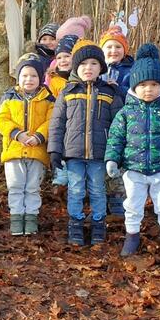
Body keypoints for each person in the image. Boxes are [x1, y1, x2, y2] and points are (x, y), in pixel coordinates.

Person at [48, 40, 124, 246]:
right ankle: (76, 223)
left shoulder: (110, 93)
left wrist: (117, 153)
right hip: (73, 153)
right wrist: (54, 150)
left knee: (98, 189)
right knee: (76, 189)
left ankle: (99, 223)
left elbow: (118, 125)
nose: (88, 68)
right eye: (83, 64)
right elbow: (57, 124)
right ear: (76, 68)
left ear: (101, 67)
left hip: (100, 153)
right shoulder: (68, 92)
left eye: (93, 64)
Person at [105, 43, 160, 256]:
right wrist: (112, 159)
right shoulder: (126, 113)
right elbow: (115, 138)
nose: (149, 89)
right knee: (133, 205)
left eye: (154, 84)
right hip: (134, 169)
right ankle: (132, 236)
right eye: (144, 84)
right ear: (134, 86)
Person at [0, 56, 55, 235]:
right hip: (14, 150)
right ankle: (16, 218)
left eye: (33, 76)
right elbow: (1, 119)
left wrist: (39, 136)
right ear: (18, 78)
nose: (28, 79)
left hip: (36, 151)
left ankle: (31, 218)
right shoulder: (9, 98)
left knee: (32, 187)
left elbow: (51, 121)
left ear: (40, 78)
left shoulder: (48, 99)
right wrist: (16, 133)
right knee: (15, 186)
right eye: (24, 76)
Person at [99, 26, 134, 216]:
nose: (113, 51)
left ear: (125, 50)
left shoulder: (131, 71)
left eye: (118, 47)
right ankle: (101, 204)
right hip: (101, 124)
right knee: (102, 165)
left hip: (123, 124)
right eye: (109, 47)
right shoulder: (96, 68)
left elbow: (134, 95)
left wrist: (118, 88)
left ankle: (119, 204)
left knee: (118, 164)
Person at [45, 34, 79, 195]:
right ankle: (59, 176)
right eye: (59, 57)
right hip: (59, 119)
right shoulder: (54, 79)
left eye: (67, 56)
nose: (63, 60)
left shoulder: (81, 77)